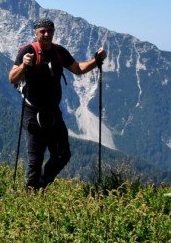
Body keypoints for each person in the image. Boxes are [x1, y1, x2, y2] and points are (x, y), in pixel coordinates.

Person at [8, 18, 106, 192]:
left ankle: (39, 186)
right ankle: (30, 194)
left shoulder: (58, 51)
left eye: (49, 31)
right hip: (33, 113)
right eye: (42, 31)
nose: (46, 35)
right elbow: (12, 77)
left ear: (53, 32)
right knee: (35, 160)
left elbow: (77, 68)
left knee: (62, 154)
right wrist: (24, 65)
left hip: (53, 112)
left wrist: (96, 61)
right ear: (36, 33)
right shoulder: (28, 51)